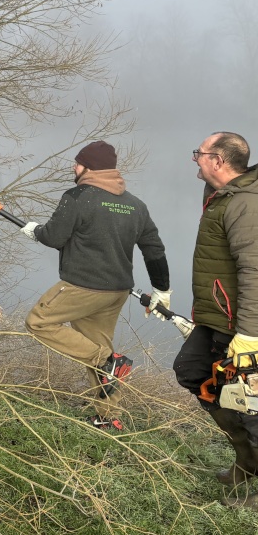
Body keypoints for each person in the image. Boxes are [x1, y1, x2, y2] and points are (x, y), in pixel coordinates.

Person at [21, 140, 170, 430]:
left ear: (88, 168)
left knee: (39, 323)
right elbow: (154, 249)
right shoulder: (135, 205)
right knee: (97, 350)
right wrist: (162, 290)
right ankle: (107, 417)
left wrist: (35, 231)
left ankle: (107, 360)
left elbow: (53, 237)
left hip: (83, 288)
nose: (73, 167)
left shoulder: (78, 197)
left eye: (77, 163)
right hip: (116, 292)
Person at [172, 132, 258, 507]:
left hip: (244, 325)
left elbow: (254, 271)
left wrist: (250, 335)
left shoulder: (245, 205)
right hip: (217, 319)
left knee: (251, 406)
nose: (195, 159)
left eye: (200, 154)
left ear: (219, 161)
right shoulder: (221, 195)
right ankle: (248, 462)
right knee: (193, 371)